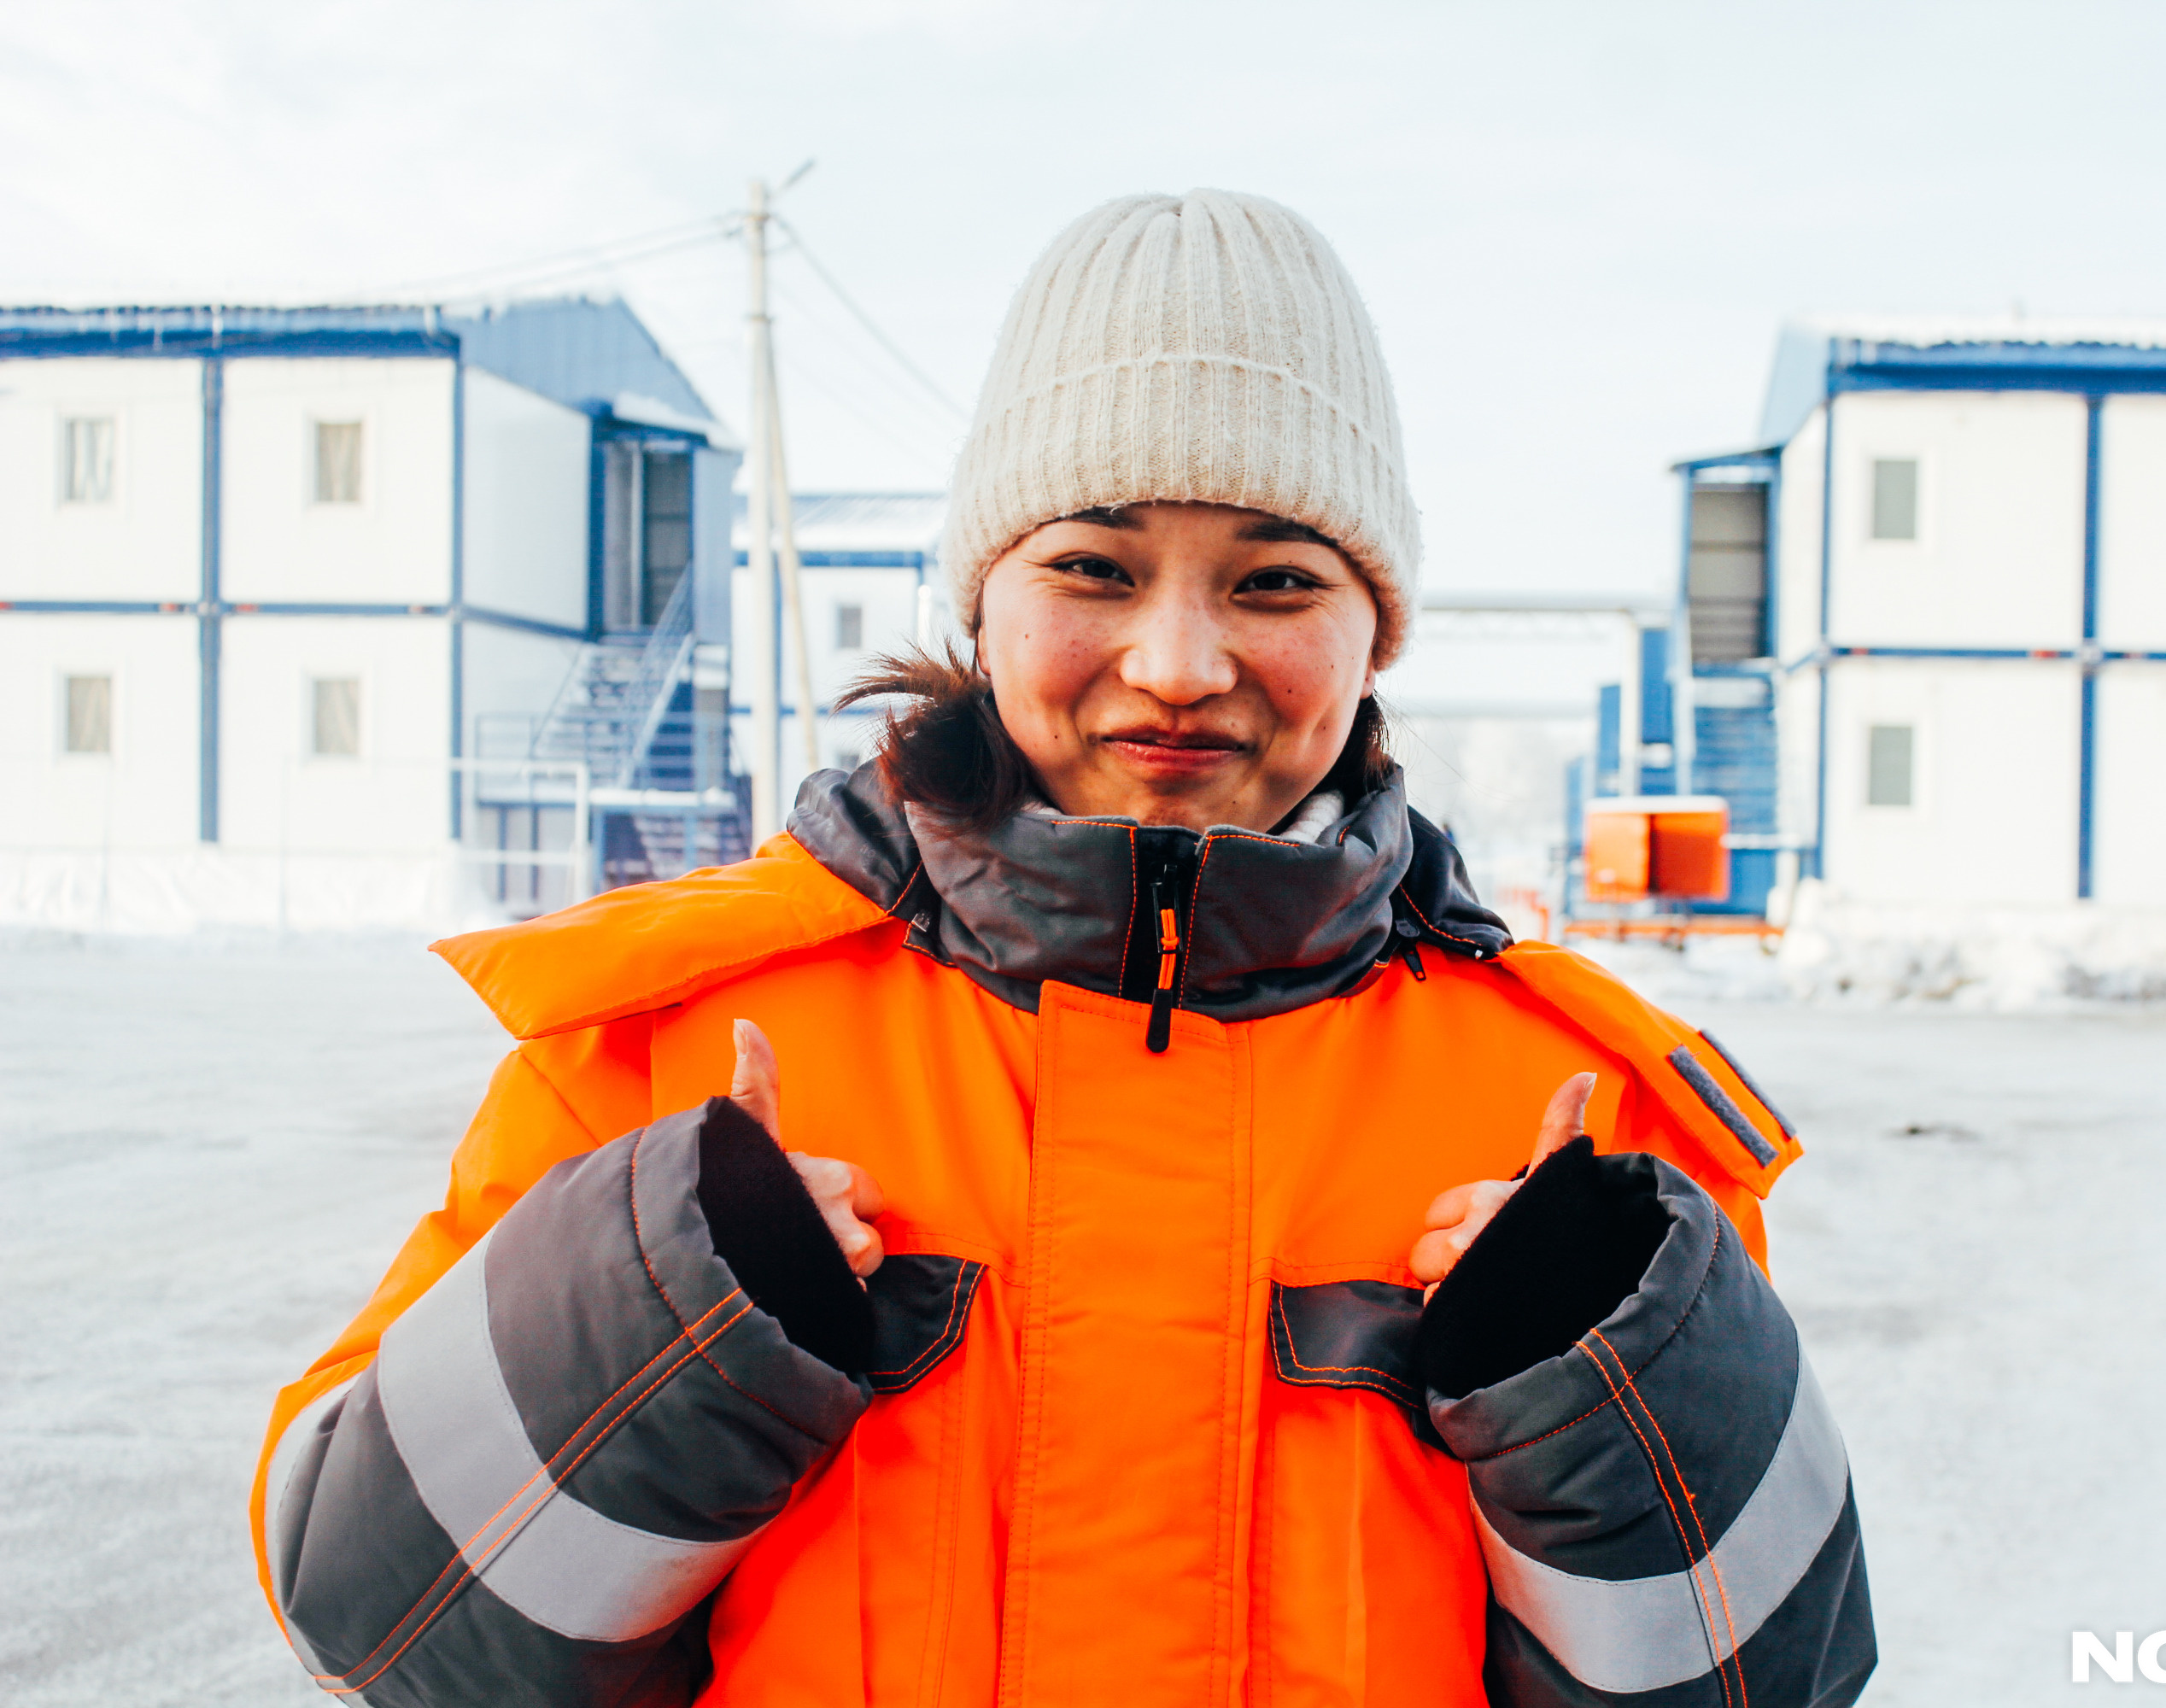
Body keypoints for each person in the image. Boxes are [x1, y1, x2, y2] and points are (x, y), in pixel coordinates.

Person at [250, 190, 1875, 1708]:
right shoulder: (666, 1047)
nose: (1177, 665)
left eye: (1278, 579)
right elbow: (380, 1623)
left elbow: (1762, 1681)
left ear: (1375, 629)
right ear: (983, 598)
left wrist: (1614, 1390)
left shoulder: (1585, 1110)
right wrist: (645, 1323)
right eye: (1094, 567)